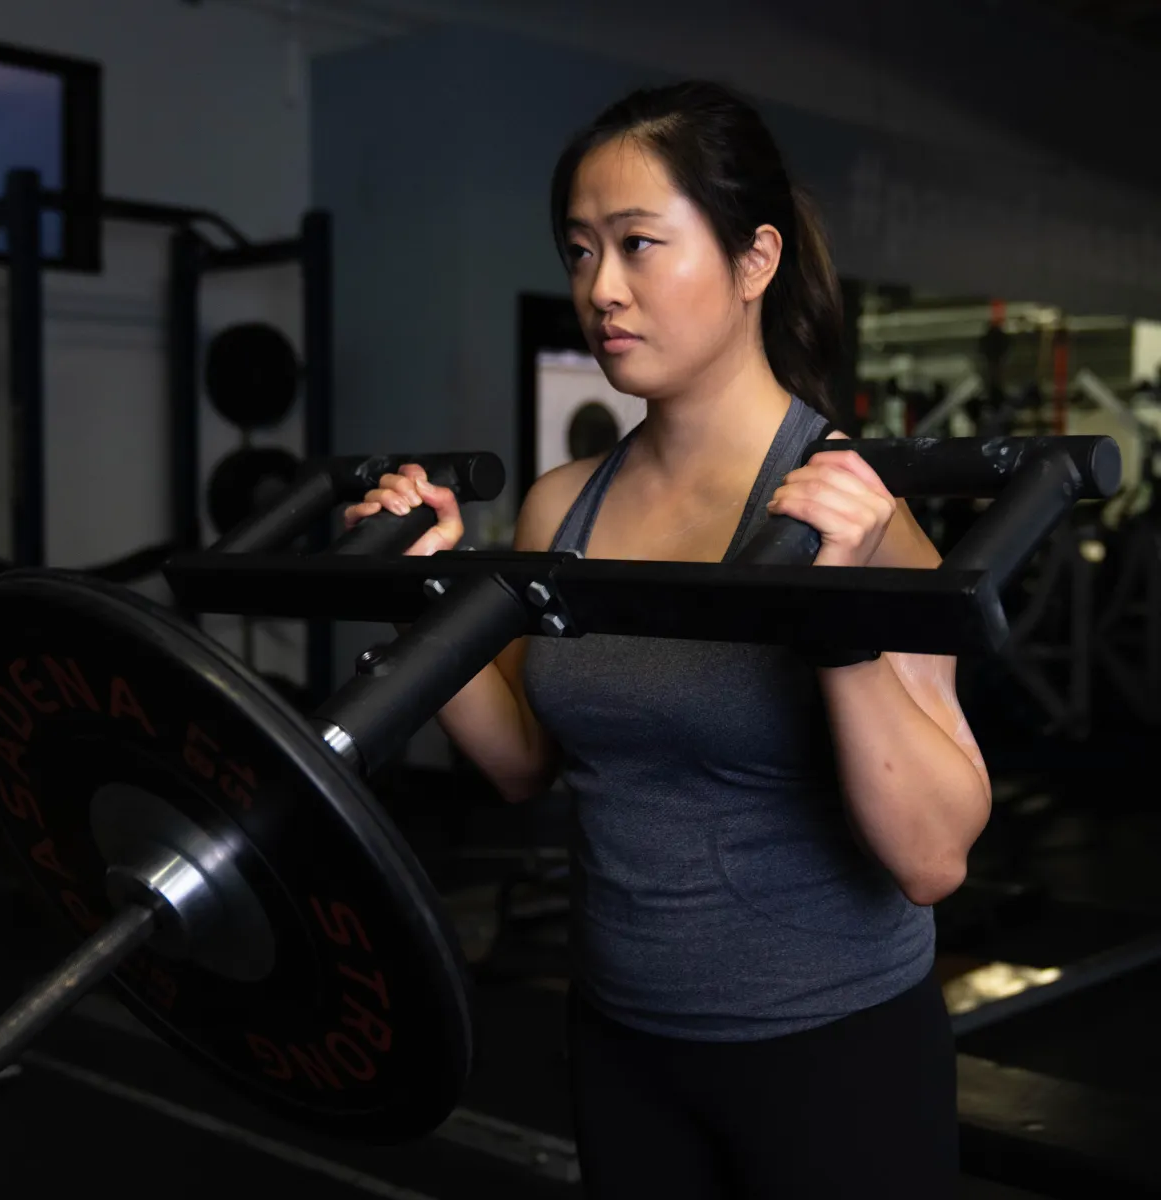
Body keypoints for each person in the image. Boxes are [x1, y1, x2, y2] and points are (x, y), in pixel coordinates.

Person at [345, 80, 992, 1200]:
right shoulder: (562, 508)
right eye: (581, 251)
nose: (603, 289)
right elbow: (522, 765)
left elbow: (934, 858)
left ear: (754, 262)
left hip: (831, 1053)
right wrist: (428, 592)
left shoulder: (855, 509)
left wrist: (836, 620)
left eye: (640, 245)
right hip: (623, 1043)